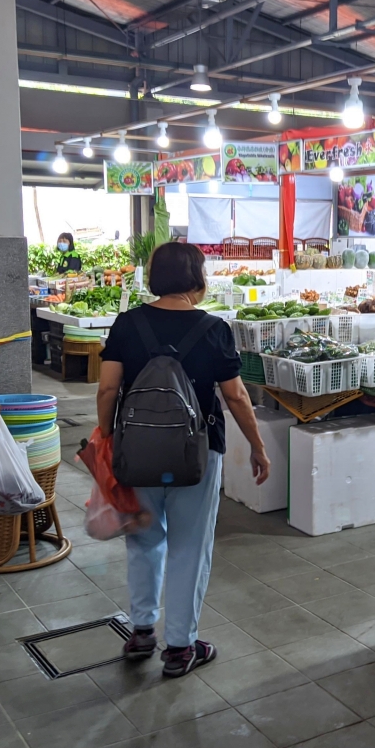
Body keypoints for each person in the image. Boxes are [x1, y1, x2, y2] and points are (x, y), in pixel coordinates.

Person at [96, 241, 270, 678]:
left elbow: (106, 389)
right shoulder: (213, 328)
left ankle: (140, 630)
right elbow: (235, 395)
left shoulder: (127, 323)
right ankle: (180, 647)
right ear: (197, 277)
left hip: (136, 451)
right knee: (190, 547)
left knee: (142, 538)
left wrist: (108, 437)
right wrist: (257, 445)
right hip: (197, 453)